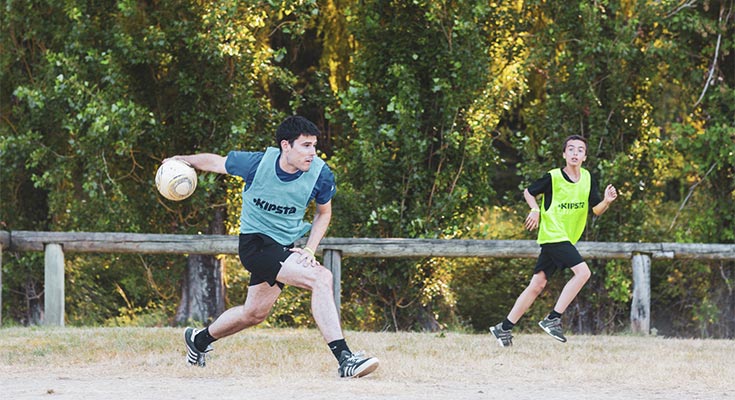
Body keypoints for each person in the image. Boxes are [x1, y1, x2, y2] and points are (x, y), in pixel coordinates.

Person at [165, 116, 379, 378]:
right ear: (285, 146)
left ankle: (198, 341)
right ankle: (345, 359)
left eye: (314, 146)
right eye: (305, 146)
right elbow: (216, 162)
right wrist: (181, 159)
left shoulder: (321, 174)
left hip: (284, 248)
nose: (312, 152)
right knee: (322, 278)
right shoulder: (256, 164)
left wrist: (310, 249)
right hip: (255, 244)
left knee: (253, 314)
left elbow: (324, 213)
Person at [489, 135, 618, 347]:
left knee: (537, 284)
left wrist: (606, 201)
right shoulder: (553, 177)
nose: (575, 153)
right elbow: (528, 192)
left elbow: (596, 210)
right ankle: (553, 318)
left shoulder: (588, 178)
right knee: (583, 272)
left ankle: (503, 328)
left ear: (584, 156)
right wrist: (534, 209)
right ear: (564, 154)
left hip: (565, 238)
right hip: (553, 234)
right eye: (571, 149)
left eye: (580, 150)